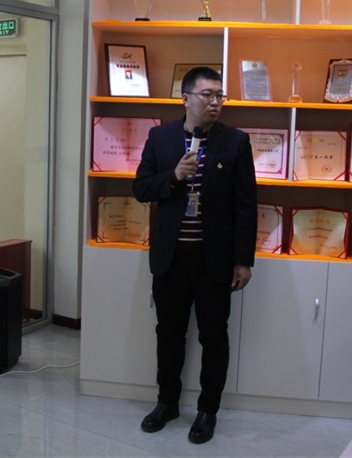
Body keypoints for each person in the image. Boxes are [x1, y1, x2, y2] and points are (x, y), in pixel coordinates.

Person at [132, 66, 257, 444]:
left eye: (220, 95)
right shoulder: (160, 137)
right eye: (207, 95)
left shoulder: (235, 142)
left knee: (214, 337)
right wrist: (174, 176)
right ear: (185, 98)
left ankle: (207, 410)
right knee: (168, 334)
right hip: (171, 259)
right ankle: (167, 403)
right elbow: (141, 188)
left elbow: (246, 206)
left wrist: (243, 260)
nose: (216, 102)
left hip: (213, 261)